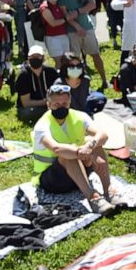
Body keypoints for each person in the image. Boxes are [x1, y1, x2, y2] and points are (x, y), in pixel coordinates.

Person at [31, 83, 119, 215]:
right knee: (68, 153)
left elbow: (102, 135)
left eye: (64, 103)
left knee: (94, 143)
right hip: (52, 180)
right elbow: (56, 148)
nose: (61, 107)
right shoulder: (42, 125)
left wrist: (90, 146)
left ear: (70, 102)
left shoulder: (80, 116)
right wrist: (80, 152)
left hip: (80, 172)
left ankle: (108, 189)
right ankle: (93, 197)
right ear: (48, 105)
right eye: (56, 104)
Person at [59, 0, 106, 91]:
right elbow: (65, 14)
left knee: (95, 54)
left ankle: (104, 80)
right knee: (74, 60)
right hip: (71, 30)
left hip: (87, 26)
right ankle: (77, 84)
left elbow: (92, 4)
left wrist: (78, 11)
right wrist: (77, 27)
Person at [15, 45, 58, 123]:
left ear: (43, 58)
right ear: (28, 59)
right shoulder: (23, 76)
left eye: (38, 56)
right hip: (31, 108)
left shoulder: (51, 72)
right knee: (27, 113)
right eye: (32, 56)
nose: (35, 58)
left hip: (51, 105)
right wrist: (45, 102)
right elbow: (26, 103)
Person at [39, 0, 72, 68]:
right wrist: (66, 19)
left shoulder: (60, 5)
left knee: (66, 60)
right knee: (58, 61)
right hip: (52, 38)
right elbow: (53, 23)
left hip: (64, 36)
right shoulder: (45, 7)